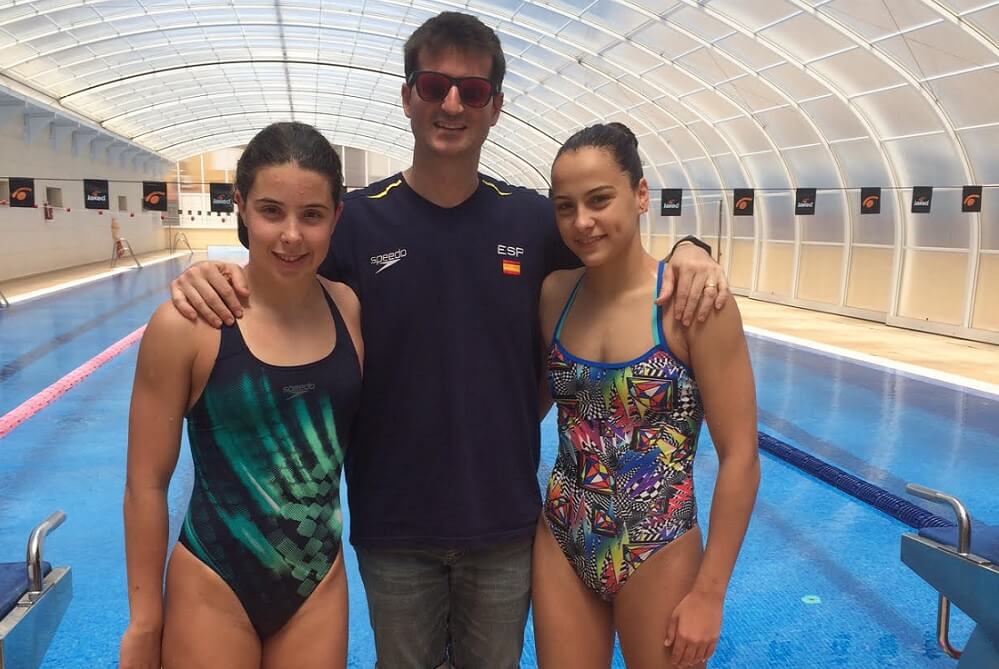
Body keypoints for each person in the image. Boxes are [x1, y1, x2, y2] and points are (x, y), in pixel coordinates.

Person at [168, 12, 731, 668]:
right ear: (407, 96)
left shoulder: (532, 218)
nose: (452, 103)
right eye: (434, 85)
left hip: (504, 525)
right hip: (394, 529)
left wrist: (690, 250)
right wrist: (210, 271)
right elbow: (277, 274)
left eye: (473, 90)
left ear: (496, 107)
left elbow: (614, 261)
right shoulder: (357, 224)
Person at [120, 122, 363, 669]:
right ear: (242, 207)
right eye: (272, 210)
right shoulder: (188, 325)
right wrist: (144, 621)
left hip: (317, 585)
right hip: (212, 583)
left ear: (336, 216)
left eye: (312, 215)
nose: (292, 236)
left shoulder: (349, 309)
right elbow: (145, 482)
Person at [532, 122, 759, 669]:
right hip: (563, 532)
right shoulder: (554, 294)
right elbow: (532, 402)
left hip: (658, 543)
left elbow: (741, 458)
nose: (582, 222)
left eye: (599, 200)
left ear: (640, 196)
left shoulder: (691, 305)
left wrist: (709, 593)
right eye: (565, 207)